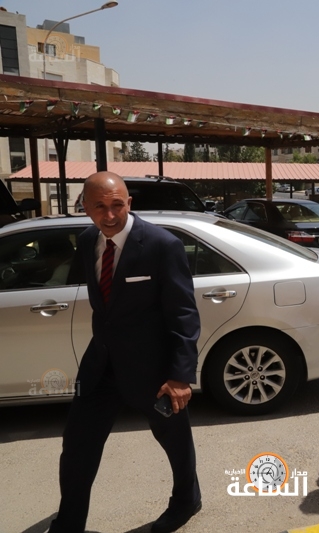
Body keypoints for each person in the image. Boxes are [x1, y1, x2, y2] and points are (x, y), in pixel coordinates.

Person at [49, 172, 202, 533]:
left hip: (154, 370)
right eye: (99, 206)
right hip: (100, 366)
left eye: (117, 205)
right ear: (85, 208)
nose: (110, 215)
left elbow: (183, 313)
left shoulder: (162, 245)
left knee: (174, 441)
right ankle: (69, 523)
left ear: (129, 203)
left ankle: (186, 500)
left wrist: (180, 376)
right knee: (77, 446)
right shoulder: (87, 240)